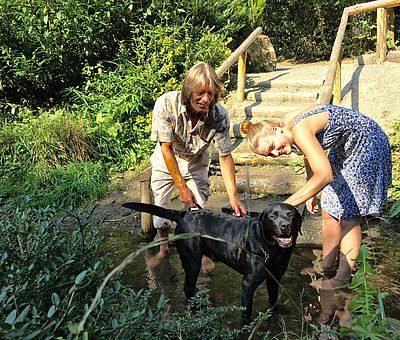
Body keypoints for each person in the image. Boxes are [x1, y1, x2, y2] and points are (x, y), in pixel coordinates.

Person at [240, 103, 392, 290]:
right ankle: (327, 267)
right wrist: (312, 189)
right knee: (329, 208)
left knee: (348, 215)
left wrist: (285, 205)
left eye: (272, 146)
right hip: (346, 146)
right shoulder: (290, 130)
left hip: (366, 143)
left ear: (275, 130)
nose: (275, 153)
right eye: (270, 155)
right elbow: (309, 156)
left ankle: (342, 278)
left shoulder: (299, 129)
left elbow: (325, 175)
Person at [150, 61, 247, 266]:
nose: (205, 99)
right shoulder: (166, 104)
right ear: (188, 89)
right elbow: (166, 148)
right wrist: (181, 187)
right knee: (161, 204)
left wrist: (233, 197)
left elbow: (225, 156)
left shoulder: (219, 115)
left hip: (196, 159)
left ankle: (202, 252)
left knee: (200, 207)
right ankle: (163, 248)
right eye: (200, 93)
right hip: (167, 157)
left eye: (210, 94)